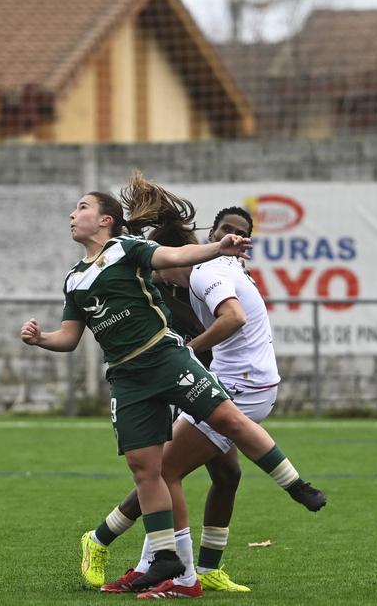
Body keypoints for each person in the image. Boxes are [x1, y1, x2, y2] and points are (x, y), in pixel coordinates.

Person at [20, 177, 325, 597]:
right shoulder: (74, 280)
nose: (73, 215)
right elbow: (70, 337)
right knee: (148, 469)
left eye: (81, 207)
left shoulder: (126, 250)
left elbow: (177, 254)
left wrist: (218, 248)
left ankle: (296, 486)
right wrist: (41, 340)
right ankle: (165, 560)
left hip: (167, 359)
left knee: (226, 422)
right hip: (127, 379)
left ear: (105, 220)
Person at [83, 200, 284, 596]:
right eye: (226, 228)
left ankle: (201, 568)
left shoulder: (219, 274)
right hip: (172, 380)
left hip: (208, 381)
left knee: (223, 474)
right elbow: (157, 257)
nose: (232, 235)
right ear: (213, 233)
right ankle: (109, 544)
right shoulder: (163, 278)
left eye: (241, 233)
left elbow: (229, 323)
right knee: (163, 473)